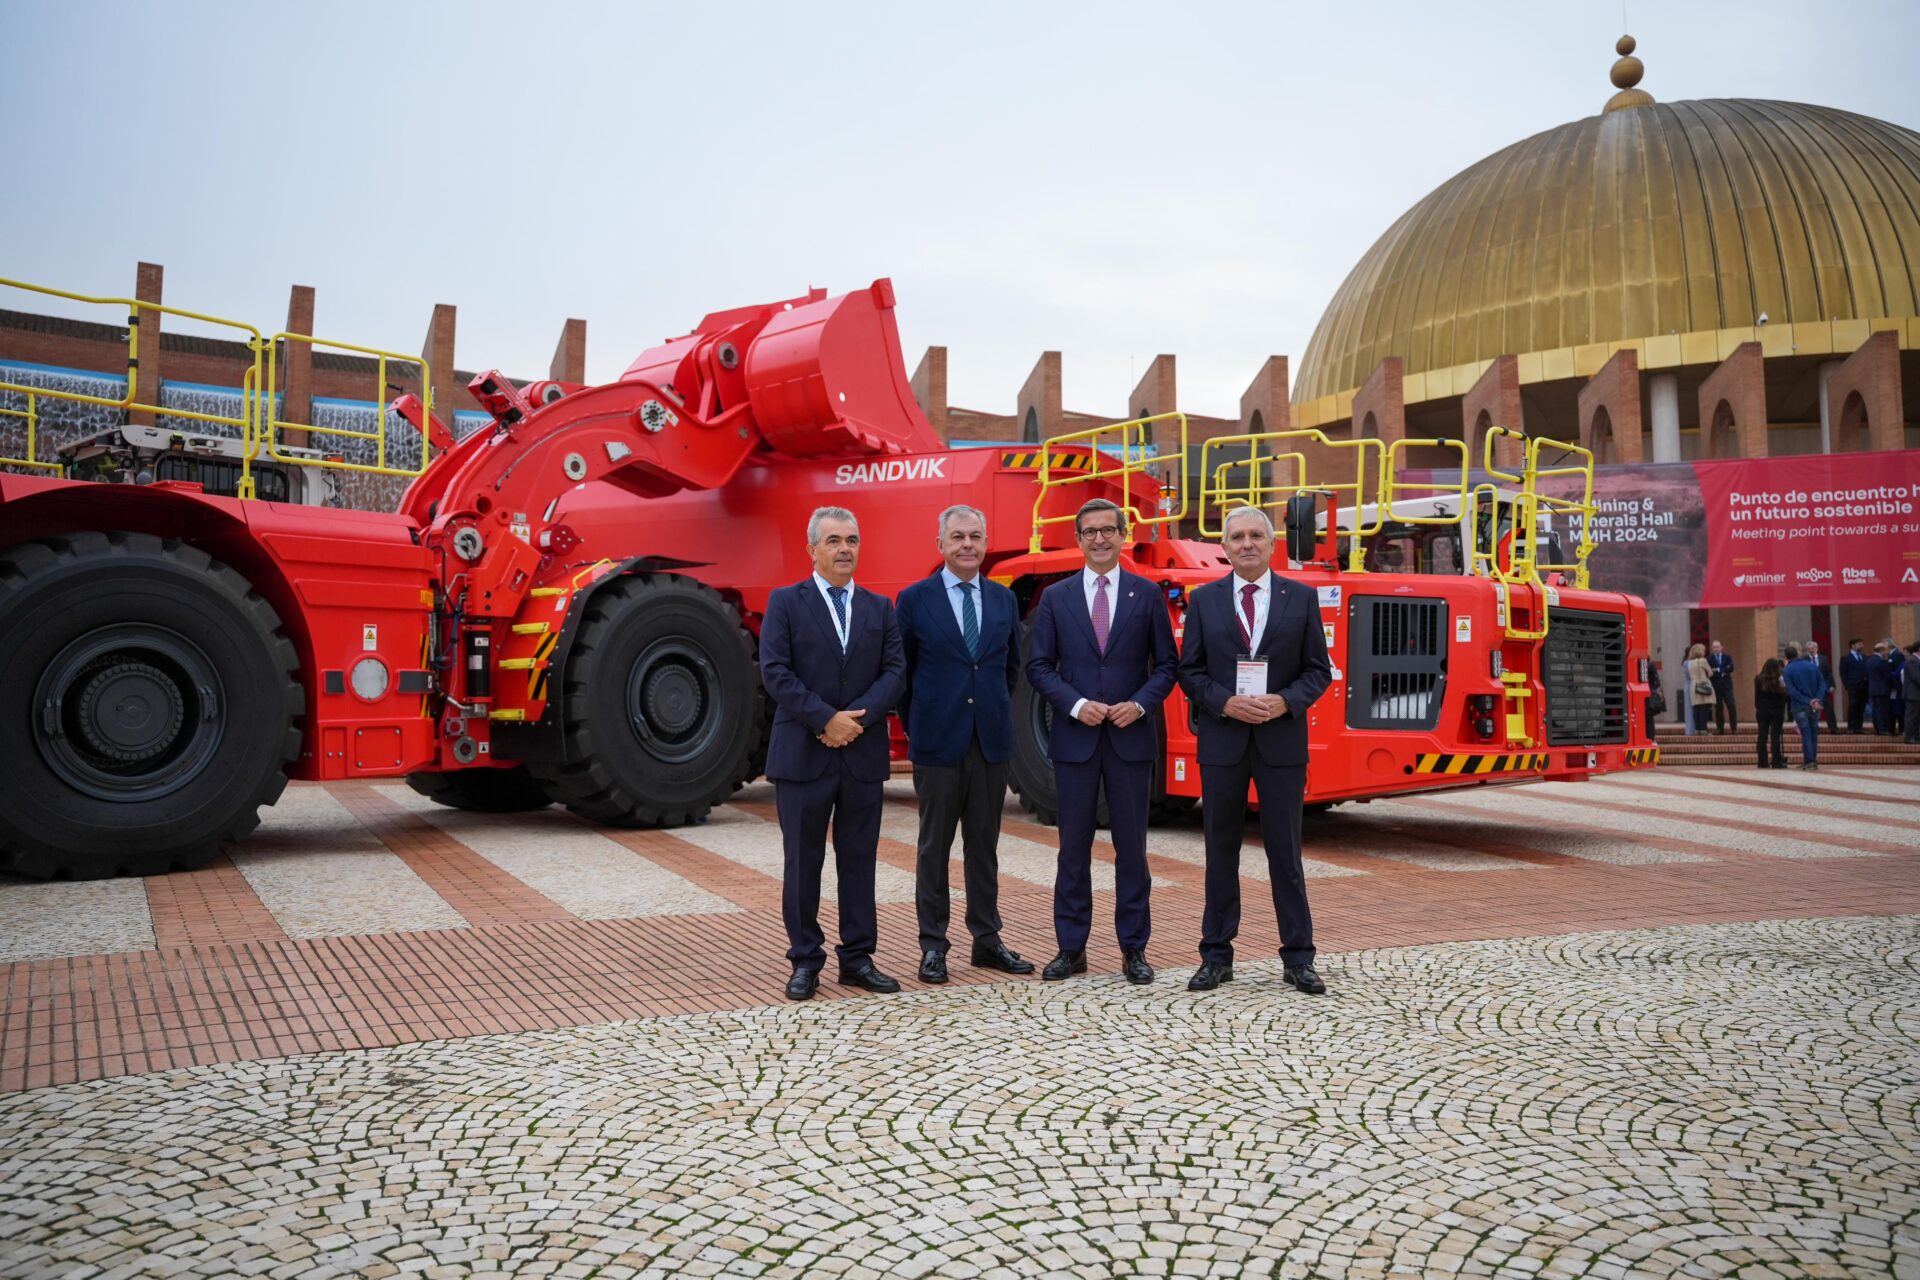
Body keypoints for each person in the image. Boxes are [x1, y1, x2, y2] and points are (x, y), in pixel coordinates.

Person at [1176, 506, 1333, 995]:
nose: (1247, 544)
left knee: (1285, 852)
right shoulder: (1203, 601)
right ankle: (1216, 956)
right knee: (1219, 851)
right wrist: (1225, 703)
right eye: (1237, 536)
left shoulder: (1301, 598)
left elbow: (1318, 671)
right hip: (1223, 742)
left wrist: (1285, 701)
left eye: (1256, 536)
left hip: (1279, 741)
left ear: (1271, 543)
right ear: (1224, 547)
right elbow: (1190, 671)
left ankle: (1299, 959)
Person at [1024, 497, 1177, 985]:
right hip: (1076, 739)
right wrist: (1073, 705)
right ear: (1078, 539)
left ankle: (1134, 949)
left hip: (1130, 740)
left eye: (1107, 530)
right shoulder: (1056, 598)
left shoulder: (1146, 594)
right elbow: (1038, 666)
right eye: (1089, 532)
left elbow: (1168, 666)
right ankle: (1071, 948)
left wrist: (1139, 704)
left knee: (1132, 849)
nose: (1099, 539)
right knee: (1073, 848)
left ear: (1123, 533)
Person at [758, 506, 907, 1001]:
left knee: (859, 860)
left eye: (853, 540)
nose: (846, 549)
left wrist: (854, 722)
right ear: (813, 550)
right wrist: (826, 719)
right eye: (835, 541)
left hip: (860, 754)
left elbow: (894, 673)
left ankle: (858, 959)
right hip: (803, 752)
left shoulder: (879, 607)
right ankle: (805, 960)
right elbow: (776, 672)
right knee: (802, 861)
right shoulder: (784, 602)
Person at [895, 504, 1033, 984]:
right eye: (957, 537)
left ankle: (987, 941)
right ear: (941, 545)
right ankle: (933, 945)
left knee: (984, 847)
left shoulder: (1003, 600)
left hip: (990, 742)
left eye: (975, 536)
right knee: (934, 848)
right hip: (937, 742)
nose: (967, 545)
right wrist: (920, 725)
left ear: (985, 541)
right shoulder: (914, 600)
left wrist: (988, 712)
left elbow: (1009, 668)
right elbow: (903, 673)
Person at [1780, 643, 1829, 771]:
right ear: (1797, 654)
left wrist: (1809, 701)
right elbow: (1822, 684)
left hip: (1800, 705)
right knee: (1813, 732)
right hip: (1815, 705)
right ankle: (1812, 760)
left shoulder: (1787, 670)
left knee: (1806, 733)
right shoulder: (1812, 666)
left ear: (1786, 657)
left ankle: (1810, 761)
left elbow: (1792, 690)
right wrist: (1817, 699)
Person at [1752, 657, 1787, 769]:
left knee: (1762, 736)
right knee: (1775, 736)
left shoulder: (1758, 679)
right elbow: (1783, 696)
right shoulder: (1779, 679)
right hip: (1776, 710)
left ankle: (1762, 761)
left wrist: (1758, 707)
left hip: (1762, 710)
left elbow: (1757, 696)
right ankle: (1776, 762)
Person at [1840, 637, 1871, 734]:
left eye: (1862, 644)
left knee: (1861, 707)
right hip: (1853, 686)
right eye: (1859, 644)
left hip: (1864, 686)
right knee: (1853, 706)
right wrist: (1847, 685)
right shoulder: (1846, 658)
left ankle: (1859, 727)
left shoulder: (1865, 657)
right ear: (1852, 646)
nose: (1861, 646)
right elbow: (1843, 673)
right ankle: (1851, 727)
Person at [1806, 641, 1838, 733]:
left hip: (1823, 688)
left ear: (1817, 648)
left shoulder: (1823, 659)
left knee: (1828, 707)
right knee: (1812, 709)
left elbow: (1829, 673)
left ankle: (1833, 728)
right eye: (1809, 649)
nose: (1811, 650)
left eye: (1812, 648)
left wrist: (1832, 685)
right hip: (1811, 689)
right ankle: (1815, 727)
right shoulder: (1805, 660)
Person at [1867, 641, 1898, 736]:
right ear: (1881, 650)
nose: (1888, 652)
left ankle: (1877, 727)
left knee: (1876, 709)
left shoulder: (1869, 660)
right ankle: (1883, 729)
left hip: (1873, 688)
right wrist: (1895, 685)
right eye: (1887, 650)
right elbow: (1887, 675)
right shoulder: (1881, 661)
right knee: (1882, 710)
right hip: (1882, 689)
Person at [1707, 639, 1737, 734]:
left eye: (1717, 647)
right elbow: (1709, 671)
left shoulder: (1727, 657)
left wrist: (1718, 669)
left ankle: (1734, 728)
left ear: (1721, 647)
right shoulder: (1709, 659)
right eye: (1714, 647)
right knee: (1718, 708)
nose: (1716, 649)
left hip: (1727, 686)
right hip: (1716, 687)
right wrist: (1723, 670)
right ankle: (1720, 729)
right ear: (1712, 648)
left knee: (1731, 705)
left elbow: (1731, 668)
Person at [1684, 643, 1714, 735]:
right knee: (1703, 707)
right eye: (1703, 650)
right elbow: (1710, 673)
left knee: (1696, 708)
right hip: (1702, 685)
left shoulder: (1689, 663)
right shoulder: (1703, 661)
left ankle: (1697, 729)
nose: (1704, 652)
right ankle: (1703, 729)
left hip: (1693, 686)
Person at [1903, 642, 1920, 745]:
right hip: (1913, 694)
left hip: (1916, 694)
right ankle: (1909, 737)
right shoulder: (1912, 661)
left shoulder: (1916, 660)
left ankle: (1916, 736)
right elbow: (1916, 677)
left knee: (1917, 717)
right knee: (1912, 716)